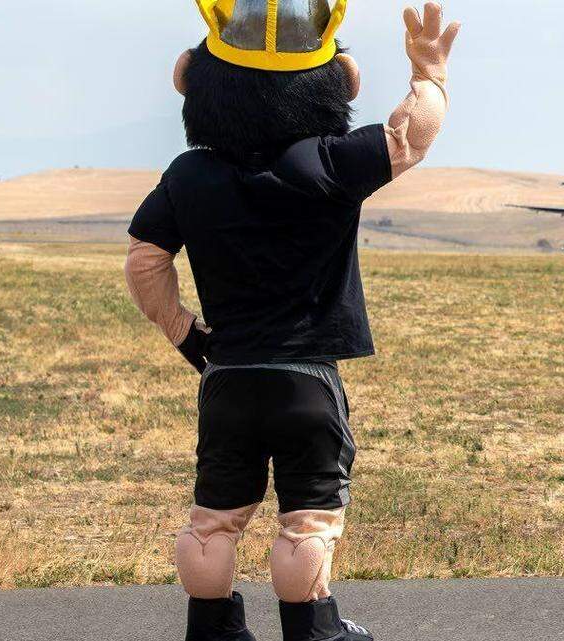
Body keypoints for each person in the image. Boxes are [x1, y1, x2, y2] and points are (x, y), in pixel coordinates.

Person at [124, 2, 460, 640]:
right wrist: (430, 75)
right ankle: (314, 630)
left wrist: (184, 332)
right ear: (341, 82)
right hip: (306, 381)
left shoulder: (189, 175)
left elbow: (144, 260)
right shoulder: (328, 162)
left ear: (191, 78)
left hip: (227, 379)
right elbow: (409, 136)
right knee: (307, 521)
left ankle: (212, 630)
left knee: (213, 521)